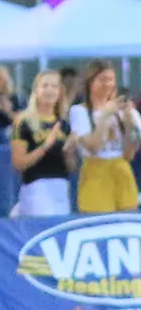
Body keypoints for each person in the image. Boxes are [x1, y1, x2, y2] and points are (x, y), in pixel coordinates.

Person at [67, 60, 141, 214]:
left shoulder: (123, 111)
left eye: (111, 79)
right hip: (95, 173)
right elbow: (94, 147)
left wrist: (128, 124)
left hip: (122, 173)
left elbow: (129, 155)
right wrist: (105, 116)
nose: (107, 84)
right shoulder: (79, 111)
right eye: (102, 79)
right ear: (90, 82)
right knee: (97, 222)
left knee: (126, 224)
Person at [11, 69, 74, 217]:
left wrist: (69, 151)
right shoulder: (24, 121)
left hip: (61, 186)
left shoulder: (64, 124)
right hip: (36, 186)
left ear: (60, 92)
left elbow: (70, 166)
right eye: (45, 86)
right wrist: (45, 146)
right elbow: (18, 163)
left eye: (54, 86)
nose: (49, 90)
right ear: (36, 91)